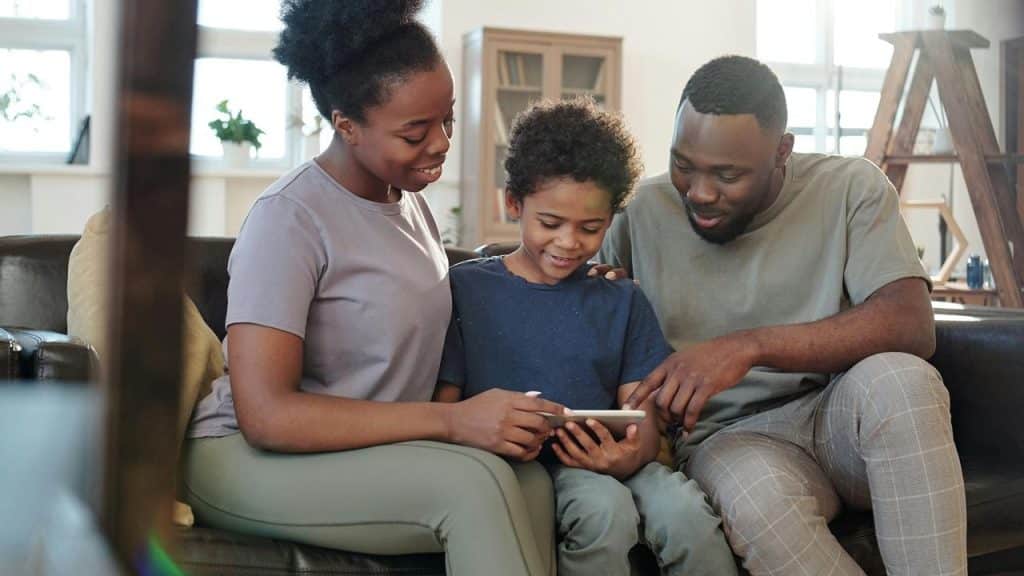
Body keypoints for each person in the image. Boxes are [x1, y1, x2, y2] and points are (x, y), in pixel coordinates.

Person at [182, 2, 566, 575]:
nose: (441, 143)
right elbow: (267, 415)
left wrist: (572, 274)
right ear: (346, 126)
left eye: (447, 120)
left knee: (528, 478)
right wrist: (451, 422)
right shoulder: (289, 218)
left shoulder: (409, 204)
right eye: (415, 132)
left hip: (366, 451)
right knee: (473, 488)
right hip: (242, 456)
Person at [603, 55, 967, 575]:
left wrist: (748, 346)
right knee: (756, 501)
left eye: (727, 174)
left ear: (782, 151)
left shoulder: (849, 187)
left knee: (902, 381)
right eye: (684, 164)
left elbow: (910, 323)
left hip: (837, 415)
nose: (700, 192)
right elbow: (572, 310)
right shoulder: (639, 212)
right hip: (728, 440)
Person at [434, 98, 737, 576]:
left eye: (590, 228)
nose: (569, 242)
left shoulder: (621, 299)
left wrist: (631, 455)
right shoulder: (465, 290)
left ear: (610, 219)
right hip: (526, 468)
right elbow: (444, 410)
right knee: (603, 511)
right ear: (513, 203)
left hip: (612, 457)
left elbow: (641, 416)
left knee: (687, 515)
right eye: (550, 223)